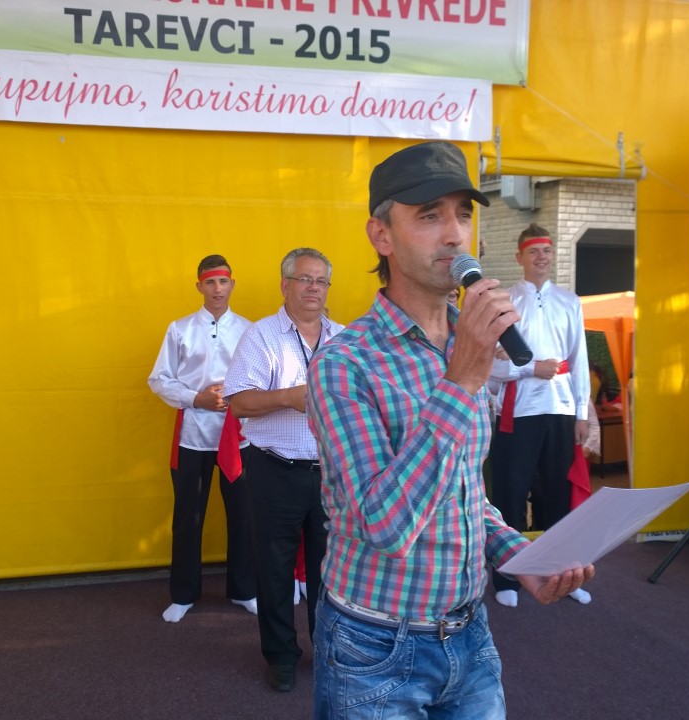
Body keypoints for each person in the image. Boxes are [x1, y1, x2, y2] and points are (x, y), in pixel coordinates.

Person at [307, 140, 593, 719]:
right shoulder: (345, 362)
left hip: (469, 635)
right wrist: (461, 382)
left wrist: (522, 559)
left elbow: (465, 494)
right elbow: (384, 526)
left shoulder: (468, 343)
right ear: (381, 236)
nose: (455, 234)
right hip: (374, 645)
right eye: (429, 215)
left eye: (463, 214)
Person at [222, 247, 343, 693]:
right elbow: (239, 403)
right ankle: (280, 656)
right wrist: (290, 397)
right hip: (275, 470)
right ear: (285, 285)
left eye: (321, 281)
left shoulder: (344, 338)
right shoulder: (261, 335)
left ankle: (330, 651)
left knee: (332, 573)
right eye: (305, 279)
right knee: (274, 571)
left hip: (332, 474)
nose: (314, 288)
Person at [487, 223, 591, 608]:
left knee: (557, 493)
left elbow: (579, 360)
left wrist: (582, 412)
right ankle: (507, 577)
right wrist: (531, 368)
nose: (541, 257)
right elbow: (490, 366)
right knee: (511, 492)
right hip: (519, 409)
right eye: (533, 251)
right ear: (520, 257)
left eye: (546, 250)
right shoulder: (505, 303)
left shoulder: (570, 301)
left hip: (560, 409)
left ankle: (559, 573)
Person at [147, 254, 256, 623]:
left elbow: (261, 377)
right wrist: (197, 398)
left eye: (223, 281)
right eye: (210, 282)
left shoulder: (250, 331)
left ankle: (244, 590)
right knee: (188, 516)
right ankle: (183, 594)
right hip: (193, 435)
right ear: (199, 286)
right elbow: (159, 379)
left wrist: (236, 396)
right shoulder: (180, 329)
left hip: (238, 437)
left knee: (243, 515)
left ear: (232, 285)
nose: (217, 289)